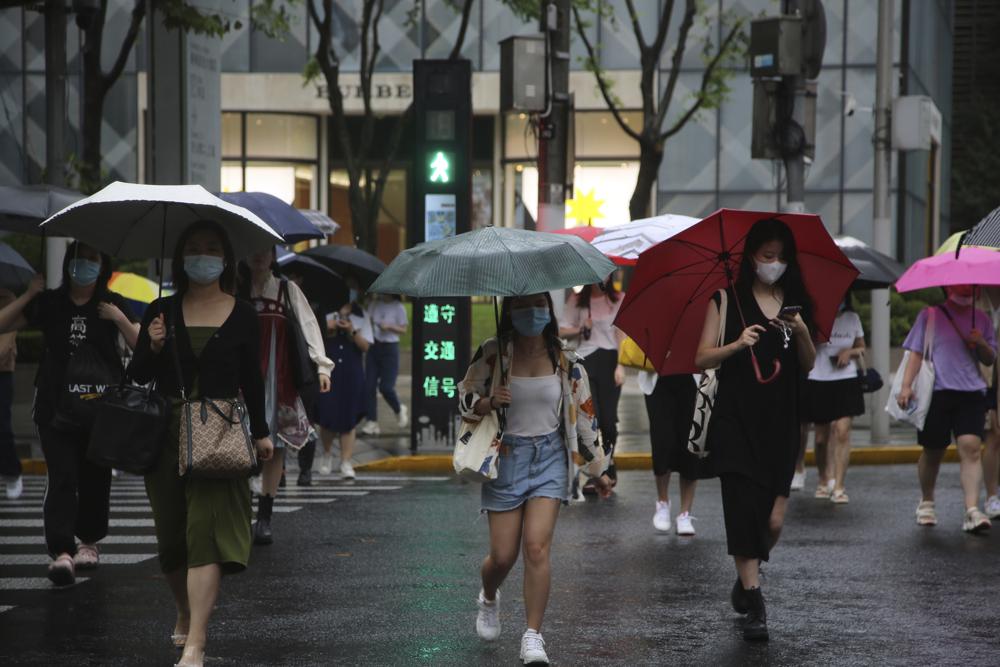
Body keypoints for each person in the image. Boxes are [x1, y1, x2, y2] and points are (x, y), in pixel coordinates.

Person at [129, 220, 274, 667]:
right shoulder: (161, 309)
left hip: (218, 430)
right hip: (166, 434)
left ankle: (196, 641)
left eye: (212, 248)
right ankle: (184, 609)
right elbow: (137, 378)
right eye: (194, 248)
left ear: (226, 258)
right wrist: (151, 347)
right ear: (180, 258)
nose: (203, 255)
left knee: (204, 534)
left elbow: (253, 376)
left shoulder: (244, 313)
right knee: (172, 537)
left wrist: (262, 432)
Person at [459, 293, 612, 666]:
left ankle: (533, 636)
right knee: (503, 556)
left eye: (540, 305)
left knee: (537, 548)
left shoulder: (566, 360)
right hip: (507, 457)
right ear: (510, 311)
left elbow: (586, 418)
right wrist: (488, 402)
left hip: (550, 458)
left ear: (550, 310)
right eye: (525, 306)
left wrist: (599, 470)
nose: (534, 313)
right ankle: (489, 595)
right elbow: (464, 398)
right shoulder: (494, 353)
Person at [694, 218, 816, 642]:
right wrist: (736, 344)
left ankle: (745, 579)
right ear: (750, 257)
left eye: (782, 257)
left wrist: (801, 333)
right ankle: (756, 605)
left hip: (781, 423)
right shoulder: (725, 299)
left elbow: (810, 363)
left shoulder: (794, 303)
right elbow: (701, 357)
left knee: (774, 521)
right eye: (767, 257)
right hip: (735, 421)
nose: (775, 264)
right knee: (743, 509)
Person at [0, 242, 138, 586]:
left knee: (95, 475)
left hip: (101, 407)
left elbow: (140, 345)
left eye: (93, 258)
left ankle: (88, 543)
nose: (85, 265)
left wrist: (118, 318)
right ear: (68, 263)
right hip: (54, 405)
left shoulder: (111, 303)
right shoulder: (50, 303)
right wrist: (30, 294)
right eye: (79, 258)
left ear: (103, 264)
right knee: (62, 476)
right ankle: (62, 551)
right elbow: (3, 323)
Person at [241, 248, 333, 545]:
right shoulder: (233, 287)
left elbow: (308, 325)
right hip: (240, 379)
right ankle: (241, 512)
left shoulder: (286, 289)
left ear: (272, 255)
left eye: (265, 250)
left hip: (278, 378)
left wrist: (322, 366)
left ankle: (264, 516)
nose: (258, 255)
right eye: (253, 248)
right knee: (240, 446)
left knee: (276, 445)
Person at [896, 284, 996, 532]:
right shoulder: (929, 316)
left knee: (971, 448)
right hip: (937, 393)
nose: (965, 291)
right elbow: (916, 354)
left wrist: (980, 342)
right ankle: (927, 502)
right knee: (933, 450)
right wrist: (906, 386)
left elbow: (990, 358)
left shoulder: (981, 319)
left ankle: (971, 509)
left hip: (972, 393)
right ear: (948, 287)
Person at [560, 278, 625, 489]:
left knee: (608, 420)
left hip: (609, 363)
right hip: (585, 362)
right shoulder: (577, 300)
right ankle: (595, 471)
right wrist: (579, 328)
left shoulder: (617, 299)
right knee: (589, 418)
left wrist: (621, 365)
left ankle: (608, 462)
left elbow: (622, 335)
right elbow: (560, 330)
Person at [802, 294, 867, 503]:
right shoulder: (813, 317)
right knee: (820, 439)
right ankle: (823, 479)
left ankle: (839, 486)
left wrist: (850, 352)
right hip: (819, 378)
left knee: (842, 431)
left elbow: (861, 347)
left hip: (845, 379)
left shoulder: (852, 318)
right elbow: (804, 348)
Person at [316, 277, 372, 480]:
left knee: (349, 417)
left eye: (354, 289)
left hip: (351, 368)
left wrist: (351, 330)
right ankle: (327, 454)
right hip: (330, 367)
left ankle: (346, 461)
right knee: (327, 414)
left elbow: (366, 346)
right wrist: (328, 328)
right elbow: (315, 341)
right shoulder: (325, 313)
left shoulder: (361, 315)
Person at [638, 370, 699, 535]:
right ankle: (663, 502)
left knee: (690, 445)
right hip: (657, 375)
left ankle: (685, 513)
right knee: (661, 442)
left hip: (693, 374)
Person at [360, 293, 408, 436]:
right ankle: (372, 422)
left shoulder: (398, 307)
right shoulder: (374, 304)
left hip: (390, 348)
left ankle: (399, 409)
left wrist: (389, 327)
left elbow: (403, 329)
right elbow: (366, 322)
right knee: (369, 386)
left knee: (386, 387)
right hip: (374, 347)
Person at [0, 289, 21, 500]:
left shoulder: (8, 300)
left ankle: (11, 472)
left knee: (2, 428)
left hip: (2, 372)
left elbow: (4, 346)